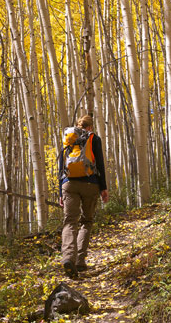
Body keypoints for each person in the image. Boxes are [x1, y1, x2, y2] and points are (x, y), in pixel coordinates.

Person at [58, 115, 108, 279]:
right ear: (90, 127)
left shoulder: (69, 138)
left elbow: (61, 165)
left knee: (70, 221)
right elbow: (99, 163)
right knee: (86, 221)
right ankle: (79, 260)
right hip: (90, 184)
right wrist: (103, 188)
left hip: (69, 184)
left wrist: (60, 192)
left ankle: (68, 258)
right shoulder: (94, 138)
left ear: (79, 126)